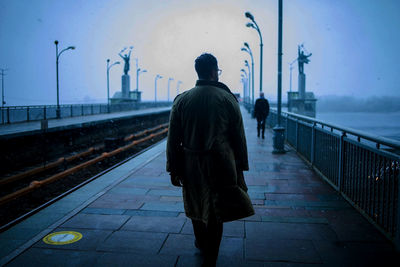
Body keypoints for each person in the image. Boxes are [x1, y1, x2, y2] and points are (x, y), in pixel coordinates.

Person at [166, 53, 254, 266]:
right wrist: (241, 166)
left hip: (191, 164)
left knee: (196, 204)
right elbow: (238, 137)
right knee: (217, 209)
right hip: (221, 163)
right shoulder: (227, 99)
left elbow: (172, 139)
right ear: (214, 71)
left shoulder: (182, 100)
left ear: (198, 72)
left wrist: (173, 168)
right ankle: (212, 252)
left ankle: (201, 242)